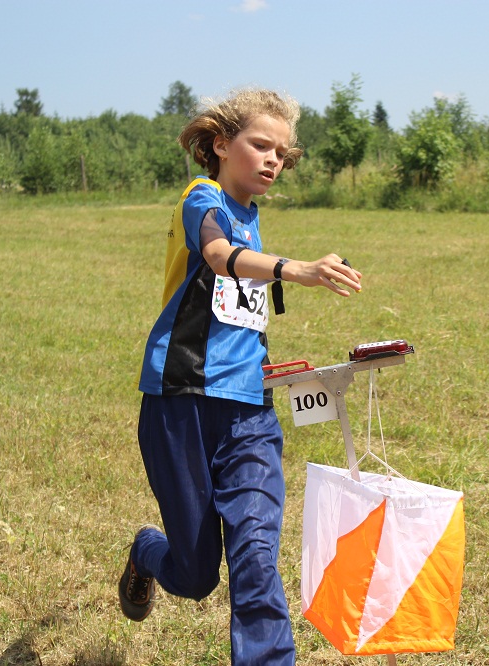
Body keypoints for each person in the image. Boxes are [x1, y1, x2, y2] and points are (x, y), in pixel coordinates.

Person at [119, 88, 363, 665]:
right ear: (222, 145)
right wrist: (296, 269)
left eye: (282, 151)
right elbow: (217, 256)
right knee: (196, 574)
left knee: (255, 553)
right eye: (260, 145)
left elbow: (238, 313)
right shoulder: (203, 198)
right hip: (180, 403)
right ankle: (147, 552)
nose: (273, 159)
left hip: (251, 411)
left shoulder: (253, 218)